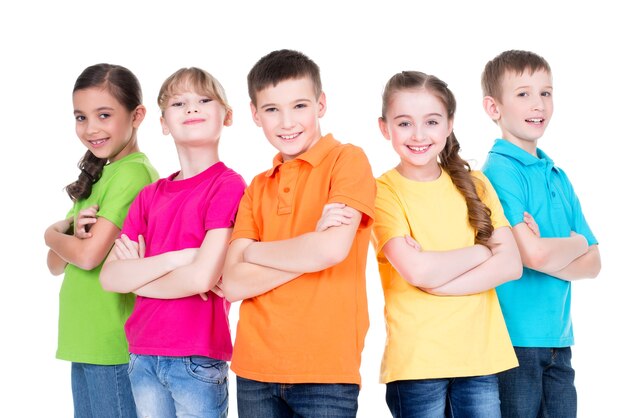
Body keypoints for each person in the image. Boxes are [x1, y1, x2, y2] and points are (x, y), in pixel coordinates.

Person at [221, 49, 376, 418]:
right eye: (272, 109)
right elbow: (232, 283)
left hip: (325, 370)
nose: (287, 121)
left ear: (321, 104)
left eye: (300, 106)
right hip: (254, 369)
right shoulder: (257, 187)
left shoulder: (348, 160)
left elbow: (331, 251)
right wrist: (309, 247)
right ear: (255, 115)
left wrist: (256, 252)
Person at [371, 70, 522, 418]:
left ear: (450, 124)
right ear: (385, 128)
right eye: (405, 123)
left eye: (432, 121)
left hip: (480, 357)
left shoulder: (477, 183)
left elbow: (511, 266)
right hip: (418, 362)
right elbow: (417, 269)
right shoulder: (383, 192)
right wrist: (482, 251)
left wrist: (438, 283)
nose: (419, 135)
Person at [99, 67, 245, 418]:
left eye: (204, 100)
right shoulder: (150, 196)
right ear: (164, 123)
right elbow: (110, 278)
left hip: (196, 357)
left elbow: (201, 279)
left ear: (226, 116)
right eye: (179, 103)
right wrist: (176, 259)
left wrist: (139, 274)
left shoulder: (228, 185)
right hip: (141, 353)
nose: (192, 108)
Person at [481, 50, 601, 418]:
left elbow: (595, 263)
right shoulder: (499, 172)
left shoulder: (556, 175)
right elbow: (534, 256)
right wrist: (575, 244)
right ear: (493, 107)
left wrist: (556, 250)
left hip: (559, 343)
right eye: (523, 94)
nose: (538, 104)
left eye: (545, 93)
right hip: (514, 343)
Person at [44, 63, 158, 418]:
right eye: (81, 117)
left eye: (104, 115)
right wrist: (67, 242)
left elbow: (89, 256)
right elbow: (54, 265)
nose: (91, 129)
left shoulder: (133, 173)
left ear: (136, 115)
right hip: (84, 339)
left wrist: (50, 234)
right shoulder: (99, 173)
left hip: (113, 341)